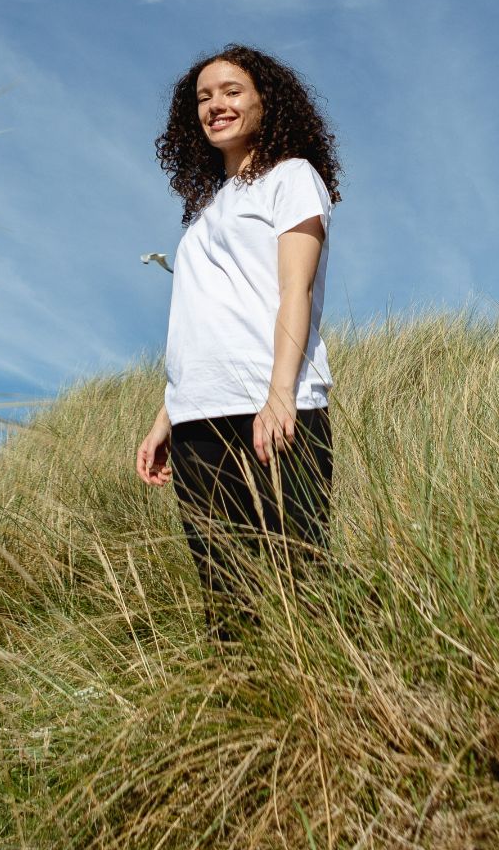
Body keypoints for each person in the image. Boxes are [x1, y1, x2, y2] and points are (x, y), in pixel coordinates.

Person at [134, 44, 343, 641]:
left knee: (296, 580)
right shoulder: (204, 212)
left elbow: (294, 289)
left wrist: (279, 396)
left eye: (230, 91)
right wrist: (166, 417)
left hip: (274, 408)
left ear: (264, 100)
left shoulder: (292, 178)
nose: (215, 105)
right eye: (203, 97)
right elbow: (202, 321)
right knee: (226, 599)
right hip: (199, 415)